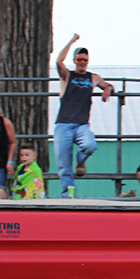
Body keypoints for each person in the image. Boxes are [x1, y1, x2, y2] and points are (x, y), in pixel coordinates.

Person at [52, 33, 112, 196]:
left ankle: (81, 162)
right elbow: (58, 62)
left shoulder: (92, 77)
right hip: (63, 124)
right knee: (64, 164)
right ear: (74, 60)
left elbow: (107, 84)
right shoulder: (67, 75)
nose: (82, 62)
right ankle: (68, 195)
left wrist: (107, 89)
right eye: (79, 59)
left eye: (85, 60)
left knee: (90, 145)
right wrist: (71, 41)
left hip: (81, 124)